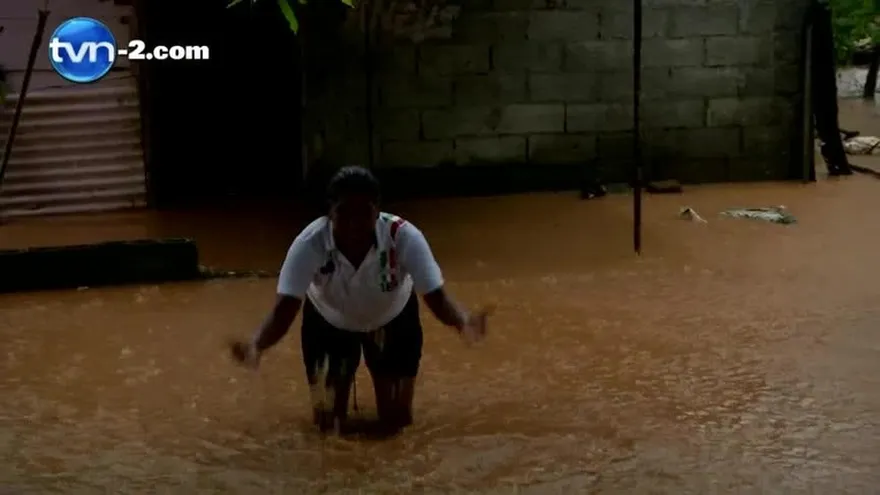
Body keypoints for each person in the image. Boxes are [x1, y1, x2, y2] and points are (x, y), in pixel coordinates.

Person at [230, 165, 490, 433]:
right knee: (329, 426)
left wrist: (463, 321)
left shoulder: (403, 236)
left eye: (364, 212)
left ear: (377, 211)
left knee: (396, 422)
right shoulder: (309, 243)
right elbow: (285, 308)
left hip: (393, 320)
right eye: (344, 212)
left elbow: (435, 296)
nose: (354, 223)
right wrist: (257, 344)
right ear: (330, 212)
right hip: (328, 323)